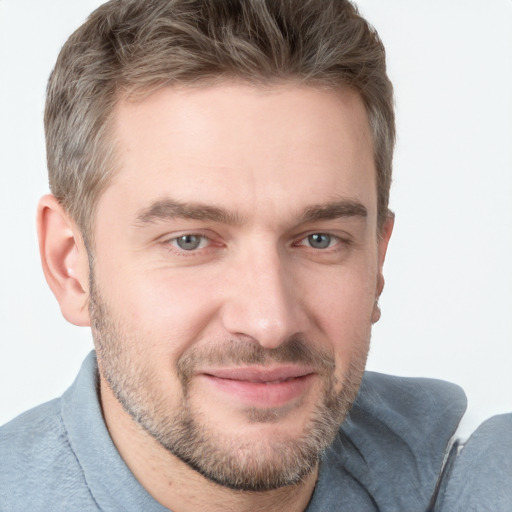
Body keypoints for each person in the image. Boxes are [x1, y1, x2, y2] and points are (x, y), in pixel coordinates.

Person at [0, 1, 510, 511]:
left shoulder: (474, 478)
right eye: (190, 241)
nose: (270, 322)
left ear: (377, 259)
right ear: (70, 265)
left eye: (319, 239)